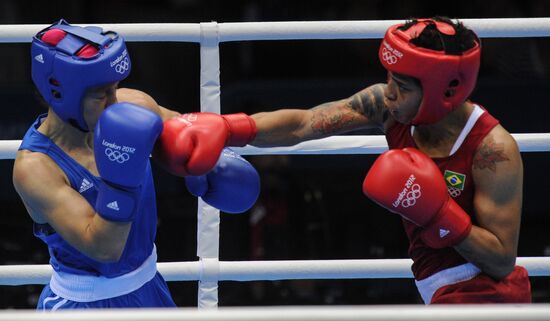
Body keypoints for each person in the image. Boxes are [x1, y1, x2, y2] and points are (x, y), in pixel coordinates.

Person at [179, 17, 532, 304]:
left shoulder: (492, 150)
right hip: (438, 290)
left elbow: (501, 260)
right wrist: (231, 128)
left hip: (485, 293)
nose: (390, 92)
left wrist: (440, 213)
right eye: (389, 78)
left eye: (404, 87)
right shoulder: (388, 108)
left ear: (447, 91)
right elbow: (305, 124)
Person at [13, 19, 259, 309]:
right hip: (83, 306)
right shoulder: (36, 167)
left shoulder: (132, 108)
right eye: (101, 94)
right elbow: (104, 248)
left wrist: (211, 155)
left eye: (115, 88)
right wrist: (121, 180)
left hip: (149, 288)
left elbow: (201, 134)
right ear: (60, 93)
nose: (114, 101)